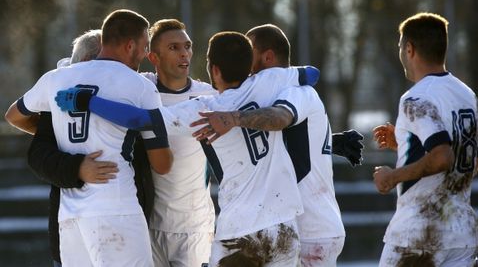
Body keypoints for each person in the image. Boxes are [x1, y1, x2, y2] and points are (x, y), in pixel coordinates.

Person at [55, 31, 322, 266]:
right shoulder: (271, 81)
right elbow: (312, 73)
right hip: (285, 228)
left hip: (241, 231)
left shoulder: (205, 108)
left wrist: (87, 101)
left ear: (214, 70)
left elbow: (140, 119)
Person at [8, 9, 173, 267]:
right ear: (130, 45)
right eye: (143, 47)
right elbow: (162, 163)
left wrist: (64, 130)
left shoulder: (56, 79)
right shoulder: (139, 85)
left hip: (70, 215)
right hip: (116, 207)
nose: (144, 55)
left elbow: (13, 115)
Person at [191, 24, 356, 267]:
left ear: (267, 57)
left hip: (311, 226)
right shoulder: (276, 92)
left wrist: (233, 118)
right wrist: (333, 141)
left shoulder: (294, 91)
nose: (244, 60)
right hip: (306, 224)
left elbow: (279, 119)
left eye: (250, 50)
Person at [4, 29, 120, 267]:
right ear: (88, 61)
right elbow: (38, 154)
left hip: (125, 227)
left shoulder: (125, 89)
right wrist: (76, 167)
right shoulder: (59, 91)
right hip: (72, 232)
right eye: (108, 58)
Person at [372, 12, 477, 266]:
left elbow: (442, 155)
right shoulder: (466, 95)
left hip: (418, 233)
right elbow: (467, 158)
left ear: (409, 49)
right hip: (462, 233)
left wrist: (391, 177)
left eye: (400, 47)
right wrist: (406, 145)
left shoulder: (416, 98)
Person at [142, 19, 216, 267]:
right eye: (174, 47)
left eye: (187, 46)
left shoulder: (208, 96)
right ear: (154, 57)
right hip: (148, 225)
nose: (184, 53)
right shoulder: (140, 90)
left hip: (194, 227)